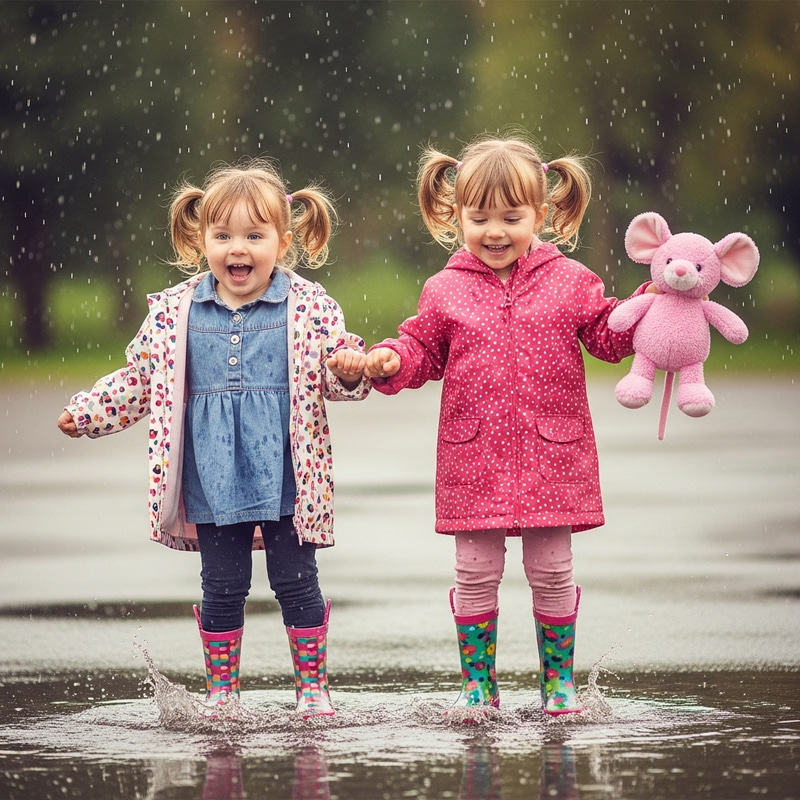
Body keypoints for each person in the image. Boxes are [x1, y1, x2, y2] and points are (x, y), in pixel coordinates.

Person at [57, 158, 369, 718]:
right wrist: (89, 412)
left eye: (254, 235)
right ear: (201, 239)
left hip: (288, 475)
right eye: (222, 235)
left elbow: (337, 378)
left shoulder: (310, 308)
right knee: (222, 586)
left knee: (296, 581)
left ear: (283, 240)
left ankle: (312, 688)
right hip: (212, 476)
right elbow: (140, 379)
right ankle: (223, 692)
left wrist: (348, 369)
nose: (237, 249)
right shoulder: (175, 313)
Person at [364, 133, 648, 717]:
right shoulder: (445, 289)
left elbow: (606, 335)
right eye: (479, 217)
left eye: (511, 217)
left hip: (553, 452)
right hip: (475, 457)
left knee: (551, 570)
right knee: (475, 573)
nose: (495, 231)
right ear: (456, 216)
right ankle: (479, 686)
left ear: (540, 216)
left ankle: (558, 685)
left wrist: (647, 307)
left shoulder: (571, 281)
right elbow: (421, 349)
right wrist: (392, 359)